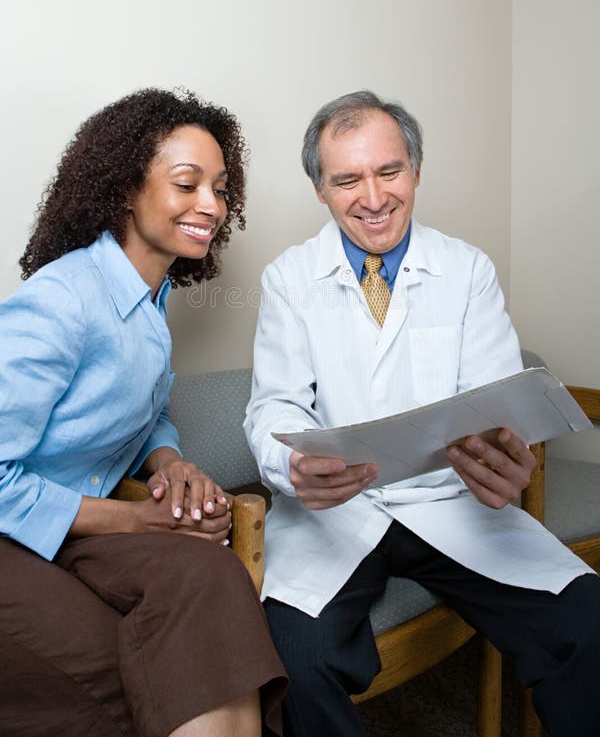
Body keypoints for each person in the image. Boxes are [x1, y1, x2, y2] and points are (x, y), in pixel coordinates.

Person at [245, 89, 600, 737]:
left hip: (450, 501)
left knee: (587, 626)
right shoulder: (289, 278)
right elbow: (275, 401)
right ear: (321, 190)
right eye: (347, 179)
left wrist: (505, 452)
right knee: (296, 664)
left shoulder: (466, 270)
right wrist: (292, 462)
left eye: (389, 171)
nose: (373, 197)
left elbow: (495, 398)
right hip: (340, 511)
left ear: (416, 168)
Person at [0, 88, 286, 737]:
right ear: (126, 188)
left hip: (75, 527)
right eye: (187, 183)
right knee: (128, 666)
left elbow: (147, 412)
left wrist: (171, 460)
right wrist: (138, 519)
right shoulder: (63, 299)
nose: (211, 205)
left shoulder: (149, 305)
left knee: (210, 573)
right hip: (13, 537)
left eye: (220, 187)